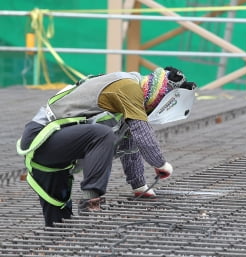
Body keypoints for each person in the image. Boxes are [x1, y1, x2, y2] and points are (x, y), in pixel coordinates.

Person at [16, 66, 196, 227]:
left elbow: (130, 143)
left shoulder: (130, 100)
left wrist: (139, 186)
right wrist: (160, 164)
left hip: (56, 157)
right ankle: (91, 200)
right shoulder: (129, 87)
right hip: (43, 139)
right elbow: (142, 132)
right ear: (160, 94)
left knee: (60, 227)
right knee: (102, 135)